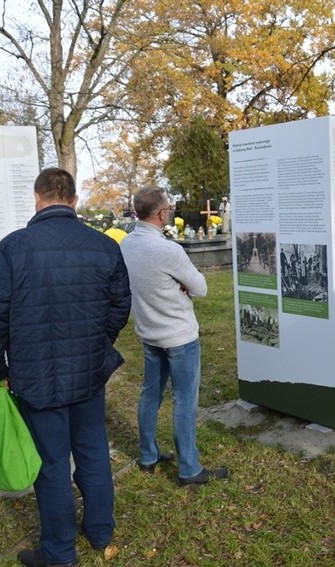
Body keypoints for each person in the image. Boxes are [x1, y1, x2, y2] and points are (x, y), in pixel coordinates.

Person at [0, 167, 132, 567]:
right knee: (93, 450)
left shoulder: (12, 248)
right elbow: (120, 307)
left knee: (52, 461)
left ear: (37, 197)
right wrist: (98, 344)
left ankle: (60, 551)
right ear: (74, 200)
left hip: (36, 374)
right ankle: (99, 531)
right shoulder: (103, 245)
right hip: (86, 371)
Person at [120, 185, 228, 485]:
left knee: (150, 394)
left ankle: (148, 455)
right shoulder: (167, 249)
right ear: (161, 213)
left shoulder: (127, 245)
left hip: (149, 332)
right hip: (179, 335)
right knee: (184, 400)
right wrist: (182, 285)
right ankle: (189, 468)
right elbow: (201, 287)